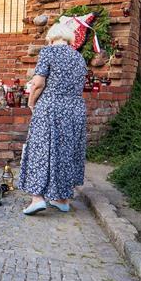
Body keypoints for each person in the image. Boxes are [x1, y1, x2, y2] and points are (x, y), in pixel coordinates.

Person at [19, 22, 87, 215]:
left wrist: (31, 102)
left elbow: (39, 83)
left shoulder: (49, 52)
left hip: (51, 107)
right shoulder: (79, 57)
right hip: (75, 109)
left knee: (40, 149)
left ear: (51, 37)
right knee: (66, 152)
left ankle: (37, 198)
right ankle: (62, 199)